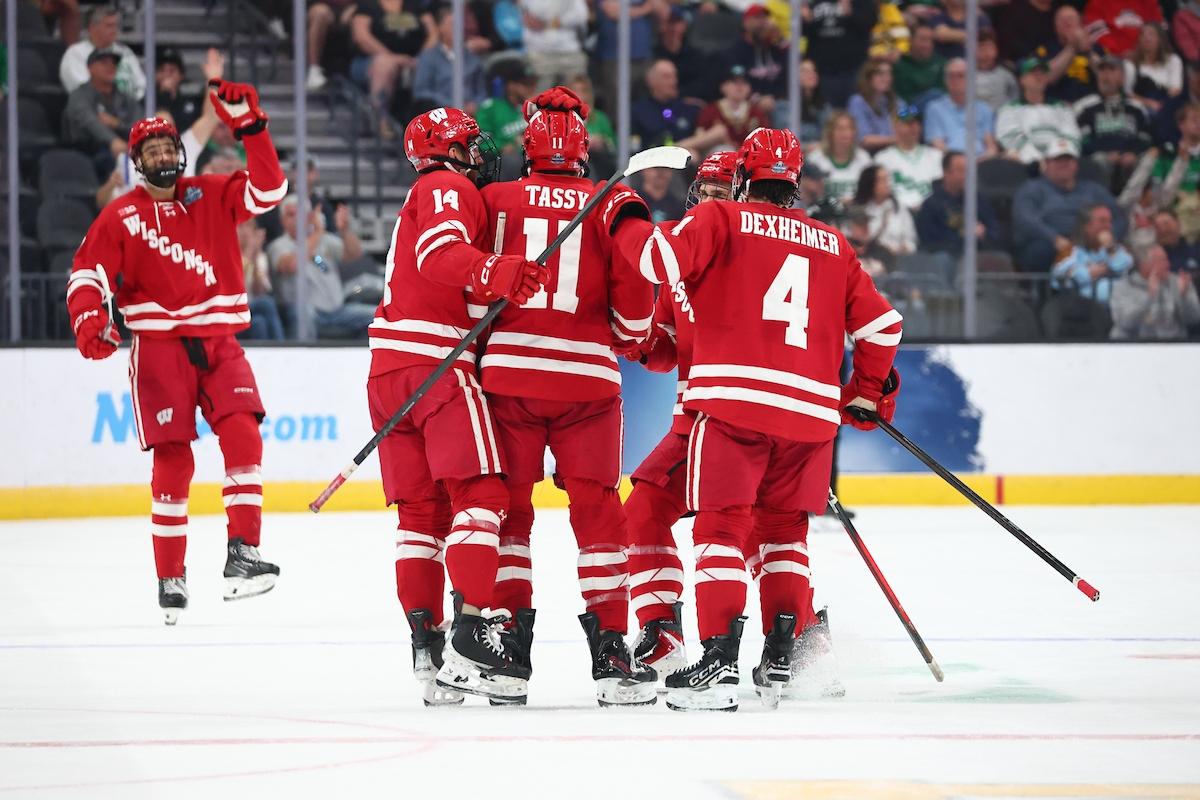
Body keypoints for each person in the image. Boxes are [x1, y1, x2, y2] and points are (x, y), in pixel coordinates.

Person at [608, 127, 902, 712]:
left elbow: (653, 256)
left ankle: (726, 657)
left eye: (721, 185)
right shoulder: (828, 243)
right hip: (804, 418)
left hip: (725, 408)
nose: (709, 198)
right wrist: (868, 390)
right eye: (703, 190)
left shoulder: (721, 231)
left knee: (727, 529)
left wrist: (620, 211)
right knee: (770, 532)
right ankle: (776, 651)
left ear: (741, 182)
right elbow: (882, 327)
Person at [63, 81, 288, 625]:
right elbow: (86, 272)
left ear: (181, 154)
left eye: (169, 146)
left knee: (243, 431)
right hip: (159, 345)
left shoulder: (209, 192)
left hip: (219, 338)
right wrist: (90, 318)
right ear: (138, 161)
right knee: (174, 458)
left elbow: (269, 191)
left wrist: (251, 127)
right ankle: (171, 573)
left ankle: (243, 553)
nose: (163, 154)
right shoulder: (121, 216)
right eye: (152, 149)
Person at [477, 93, 655, 707]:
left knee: (510, 514)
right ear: (584, 149)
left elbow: (473, 283)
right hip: (588, 382)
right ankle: (611, 652)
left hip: (510, 378)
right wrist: (630, 338)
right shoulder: (612, 202)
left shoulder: (494, 199)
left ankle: (508, 651)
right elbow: (637, 288)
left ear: (528, 148)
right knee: (599, 517)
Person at [368, 106, 547, 706]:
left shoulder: (420, 192)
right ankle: (474, 634)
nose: (480, 153)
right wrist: (497, 267)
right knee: (484, 498)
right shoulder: (444, 184)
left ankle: (429, 647)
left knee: (420, 517)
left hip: (390, 371)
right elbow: (440, 256)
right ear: (450, 150)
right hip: (436, 367)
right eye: (471, 144)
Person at [268, 196, 373, 338]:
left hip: (337, 310)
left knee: (375, 316)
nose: (296, 219)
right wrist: (317, 232)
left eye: (300, 214)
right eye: (290, 215)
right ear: (282, 221)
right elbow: (292, 265)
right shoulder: (279, 245)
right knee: (304, 315)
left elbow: (355, 254)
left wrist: (345, 230)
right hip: (305, 311)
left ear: (309, 217)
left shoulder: (325, 240)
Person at [1013, 138, 1125, 271]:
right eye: (1058, 160)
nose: (1063, 164)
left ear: (1076, 164)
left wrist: (1111, 235)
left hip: (1090, 243)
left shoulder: (1093, 189)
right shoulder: (1033, 188)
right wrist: (1054, 238)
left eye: (1068, 160)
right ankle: (1042, 292)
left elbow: (1119, 216)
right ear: (1047, 164)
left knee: (1121, 255)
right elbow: (1025, 218)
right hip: (1051, 244)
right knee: (1040, 251)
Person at [350, 0, 437, 134]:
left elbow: (434, 34)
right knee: (384, 65)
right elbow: (361, 37)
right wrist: (392, 57)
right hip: (372, 60)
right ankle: (380, 120)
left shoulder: (415, 5)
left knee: (432, 65)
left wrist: (422, 58)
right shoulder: (367, 5)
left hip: (413, 60)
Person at [1075, 55, 1153, 191]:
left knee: (1146, 160)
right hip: (1099, 157)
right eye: (1102, 70)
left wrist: (1132, 153)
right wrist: (1106, 153)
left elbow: (1145, 137)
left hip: (1130, 158)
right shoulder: (1086, 105)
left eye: (1111, 69)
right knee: (1099, 160)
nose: (1106, 75)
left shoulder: (1135, 107)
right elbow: (1083, 139)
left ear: (1122, 77)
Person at [61, 48, 140, 179]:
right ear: (90, 68)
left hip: (125, 151)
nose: (110, 66)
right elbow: (89, 121)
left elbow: (138, 125)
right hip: (86, 153)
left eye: (113, 63)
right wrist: (112, 140)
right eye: (104, 62)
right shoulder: (79, 96)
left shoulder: (125, 97)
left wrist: (117, 124)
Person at [996, 56, 1082, 164]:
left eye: (1042, 73)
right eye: (1033, 73)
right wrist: (1036, 160)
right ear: (1022, 80)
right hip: (1026, 165)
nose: (1038, 77)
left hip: (1060, 162)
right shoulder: (1009, 109)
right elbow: (1010, 137)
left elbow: (1072, 135)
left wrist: (1054, 159)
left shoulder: (1062, 108)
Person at [916, 150, 1003, 254]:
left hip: (979, 254)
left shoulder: (979, 200)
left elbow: (995, 232)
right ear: (946, 173)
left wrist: (983, 233)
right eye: (961, 171)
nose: (967, 176)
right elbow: (930, 243)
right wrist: (964, 236)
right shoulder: (930, 205)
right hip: (949, 258)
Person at [1109, 244, 1200, 339]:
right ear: (1145, 264)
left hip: (1172, 345)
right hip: (1134, 346)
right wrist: (1149, 296)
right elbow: (1125, 323)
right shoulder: (1123, 287)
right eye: (1161, 261)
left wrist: (1183, 297)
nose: (1168, 264)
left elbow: (1194, 320)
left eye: (1166, 260)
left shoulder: (1179, 282)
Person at [59, 4, 146, 99]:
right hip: (92, 109)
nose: (114, 30)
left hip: (129, 109)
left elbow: (141, 85)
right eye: (109, 26)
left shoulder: (125, 52)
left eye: (116, 25)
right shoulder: (75, 53)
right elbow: (80, 89)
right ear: (92, 28)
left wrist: (129, 105)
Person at [1051, 203, 1133, 303]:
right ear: (1086, 226)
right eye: (1102, 221)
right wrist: (1089, 273)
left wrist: (1110, 249)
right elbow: (1058, 278)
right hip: (1083, 308)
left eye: (1109, 222)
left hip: (1118, 308)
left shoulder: (1114, 249)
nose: (1108, 226)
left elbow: (1125, 265)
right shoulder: (1070, 250)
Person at [412, 6, 487, 115]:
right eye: (452, 25)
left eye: (460, 25)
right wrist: (451, 106)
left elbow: (482, 91)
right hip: (441, 115)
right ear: (441, 28)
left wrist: (476, 104)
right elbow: (422, 92)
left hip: (473, 115)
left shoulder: (473, 58)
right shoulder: (429, 57)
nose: (458, 29)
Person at [803, 0, 878, 107]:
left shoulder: (861, 2)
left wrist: (852, 12)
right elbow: (804, 33)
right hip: (822, 71)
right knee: (827, 114)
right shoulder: (813, 3)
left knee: (853, 112)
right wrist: (805, 21)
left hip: (853, 70)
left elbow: (870, 23)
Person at [873, 103, 943, 212]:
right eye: (908, 123)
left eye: (917, 123)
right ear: (895, 126)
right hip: (897, 213)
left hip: (930, 213)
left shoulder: (936, 155)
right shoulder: (882, 158)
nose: (914, 127)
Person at [923, 58, 998, 157]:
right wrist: (960, 163)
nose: (955, 80)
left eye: (960, 75)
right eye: (951, 76)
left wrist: (981, 160)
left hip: (981, 162)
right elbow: (937, 144)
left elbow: (990, 145)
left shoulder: (984, 109)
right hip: (949, 163)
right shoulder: (934, 108)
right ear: (945, 80)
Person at [692, 65, 773, 155]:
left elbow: (766, 142)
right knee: (723, 149)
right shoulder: (710, 111)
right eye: (734, 82)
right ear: (723, 86)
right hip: (719, 160)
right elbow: (700, 137)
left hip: (749, 160)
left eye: (744, 82)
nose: (740, 86)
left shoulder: (756, 113)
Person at [631, 60, 701, 150]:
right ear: (650, 81)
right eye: (666, 77)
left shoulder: (690, 108)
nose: (673, 82)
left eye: (674, 76)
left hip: (688, 160)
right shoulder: (638, 112)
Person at [807, 111, 874, 203]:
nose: (846, 133)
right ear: (830, 133)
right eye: (840, 129)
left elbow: (870, 194)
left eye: (850, 128)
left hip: (857, 213)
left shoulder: (864, 159)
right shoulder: (815, 159)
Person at [519, 0, 588, 89]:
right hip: (539, 53)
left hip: (568, 52)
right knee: (538, 97)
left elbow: (581, 15)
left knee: (574, 95)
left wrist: (549, 23)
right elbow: (523, 16)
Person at [476, 59, 537, 158]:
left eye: (534, 83)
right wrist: (501, 147)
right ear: (511, 85)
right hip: (500, 164)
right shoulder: (489, 109)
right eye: (527, 84)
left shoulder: (534, 109)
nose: (532, 88)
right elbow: (480, 142)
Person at [852, 164, 916, 257]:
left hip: (898, 258)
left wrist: (904, 247)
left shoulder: (898, 207)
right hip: (869, 258)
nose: (887, 184)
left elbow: (911, 240)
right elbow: (854, 242)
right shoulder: (858, 210)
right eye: (881, 180)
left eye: (887, 179)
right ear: (870, 183)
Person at [238, 219, 285, 341]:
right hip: (234, 310)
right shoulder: (227, 255)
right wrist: (248, 253)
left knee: (260, 323)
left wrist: (254, 259)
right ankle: (282, 346)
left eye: (248, 226)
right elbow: (237, 289)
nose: (244, 231)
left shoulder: (260, 257)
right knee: (266, 303)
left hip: (252, 309)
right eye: (240, 226)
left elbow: (260, 291)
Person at [1124, 24, 1183, 114]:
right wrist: (1148, 103)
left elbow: (1175, 89)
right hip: (1141, 105)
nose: (1147, 38)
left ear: (1160, 39)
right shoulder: (1130, 64)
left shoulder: (1173, 60)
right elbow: (1127, 93)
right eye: (1143, 34)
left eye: (1151, 34)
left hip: (1167, 101)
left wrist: (1163, 104)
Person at [847, 57, 898, 153]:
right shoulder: (858, 102)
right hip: (869, 155)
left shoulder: (895, 101)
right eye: (880, 74)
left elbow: (909, 117)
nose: (886, 78)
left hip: (894, 152)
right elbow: (864, 140)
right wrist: (896, 139)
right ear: (869, 77)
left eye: (889, 74)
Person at [305, 0, 358, 90]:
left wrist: (356, 7)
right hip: (321, 6)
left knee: (361, 17)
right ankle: (314, 70)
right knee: (320, 13)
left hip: (352, 7)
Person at [1083, 0, 1162, 58]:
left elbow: (1158, 32)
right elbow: (1095, 33)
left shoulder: (1149, 3)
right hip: (1110, 59)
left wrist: (1139, 53)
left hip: (1145, 58)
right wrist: (1118, 53)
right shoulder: (1098, 2)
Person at [893, 23, 945, 107]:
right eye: (923, 39)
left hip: (934, 114)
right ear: (910, 40)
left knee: (936, 95)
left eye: (931, 40)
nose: (928, 45)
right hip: (906, 113)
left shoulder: (941, 64)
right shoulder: (899, 64)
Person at [975, 30, 1018, 112]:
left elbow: (1014, 101)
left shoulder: (1007, 75)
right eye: (981, 47)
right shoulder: (965, 75)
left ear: (996, 50)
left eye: (989, 47)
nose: (986, 53)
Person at [1154, 210, 1200, 274]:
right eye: (1157, 227)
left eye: (1166, 224)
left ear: (1178, 223)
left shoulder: (1195, 248)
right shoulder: (1154, 258)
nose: (1163, 230)